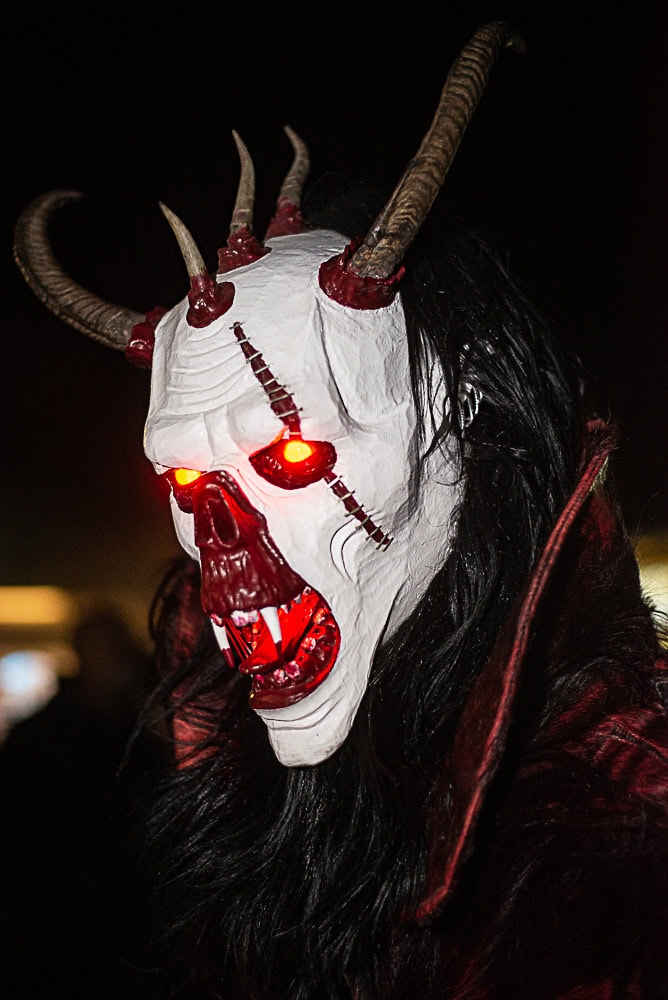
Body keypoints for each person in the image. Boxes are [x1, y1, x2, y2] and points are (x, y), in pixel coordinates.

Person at [13, 20, 668, 999]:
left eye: (292, 454)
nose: (226, 567)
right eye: (187, 484)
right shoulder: (212, 775)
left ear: (453, 406)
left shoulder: (633, 823)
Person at [0, 610, 161, 999]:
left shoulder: (140, 729)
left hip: (134, 915)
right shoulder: (41, 739)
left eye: (120, 649)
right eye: (108, 650)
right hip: (64, 919)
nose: (120, 661)